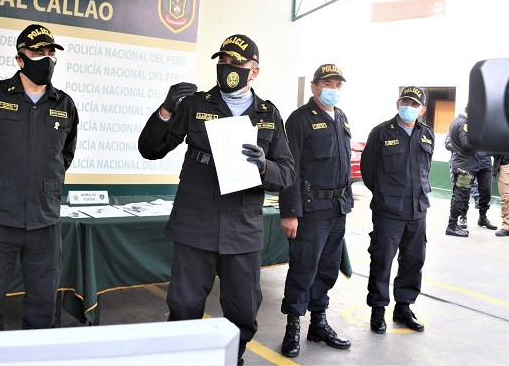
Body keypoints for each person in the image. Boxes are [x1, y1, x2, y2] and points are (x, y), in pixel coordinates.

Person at [138, 34, 295, 364]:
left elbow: (288, 173)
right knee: (183, 308)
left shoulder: (268, 114)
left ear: (254, 71)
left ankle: (231, 358)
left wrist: (264, 166)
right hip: (195, 223)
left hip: (242, 228)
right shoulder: (195, 105)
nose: (227, 68)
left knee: (243, 312)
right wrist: (166, 110)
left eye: (236, 63)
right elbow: (151, 149)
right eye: (222, 61)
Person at [0, 24, 79, 331]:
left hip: (44, 220)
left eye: (50, 52)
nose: (46, 58)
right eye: (38, 51)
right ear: (20, 59)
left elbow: (65, 155)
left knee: (43, 305)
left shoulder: (64, 104)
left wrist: (47, 185)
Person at [278, 64, 353, 358]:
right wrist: (290, 212)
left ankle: (318, 323)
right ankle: (293, 326)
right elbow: (289, 169)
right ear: (314, 87)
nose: (333, 88)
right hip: (310, 210)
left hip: (337, 208)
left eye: (337, 84)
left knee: (328, 269)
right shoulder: (299, 120)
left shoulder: (342, 118)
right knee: (303, 269)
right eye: (327, 83)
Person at [360, 86, 434, 334]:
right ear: (397, 103)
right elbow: (369, 172)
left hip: (418, 209)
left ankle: (404, 308)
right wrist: (386, 196)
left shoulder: (427, 134)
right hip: (389, 211)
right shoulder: (381, 132)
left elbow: (425, 169)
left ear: (422, 109)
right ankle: (378, 311)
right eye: (405, 101)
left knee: (414, 261)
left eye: (414, 104)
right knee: (382, 262)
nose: (409, 107)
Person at [446, 107, 497, 237]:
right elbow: (466, 144)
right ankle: (453, 225)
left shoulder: (459, 122)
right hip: (465, 164)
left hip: (472, 164)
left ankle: (478, 218)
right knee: (461, 195)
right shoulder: (464, 123)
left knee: (466, 193)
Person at [444, 134, 479, 229]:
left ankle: (463, 216)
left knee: (465, 192)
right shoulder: (456, 129)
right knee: (459, 193)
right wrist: (460, 147)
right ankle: (457, 219)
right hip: (458, 164)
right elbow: (448, 144)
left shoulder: (473, 130)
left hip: (471, 164)